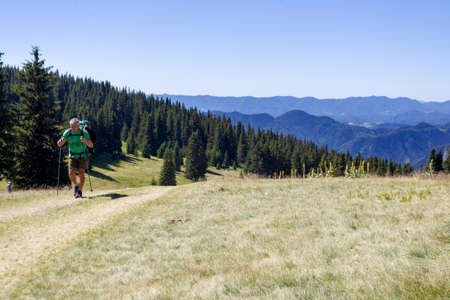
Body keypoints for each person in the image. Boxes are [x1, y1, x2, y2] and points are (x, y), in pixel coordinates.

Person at [57, 118, 93, 198]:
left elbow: (91, 145)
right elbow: (60, 143)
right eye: (71, 126)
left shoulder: (84, 133)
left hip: (82, 156)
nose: (72, 128)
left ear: (78, 126)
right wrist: (59, 142)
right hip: (72, 156)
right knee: (71, 173)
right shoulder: (68, 132)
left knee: (81, 173)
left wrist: (85, 141)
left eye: (74, 126)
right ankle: (76, 185)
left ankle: (79, 191)